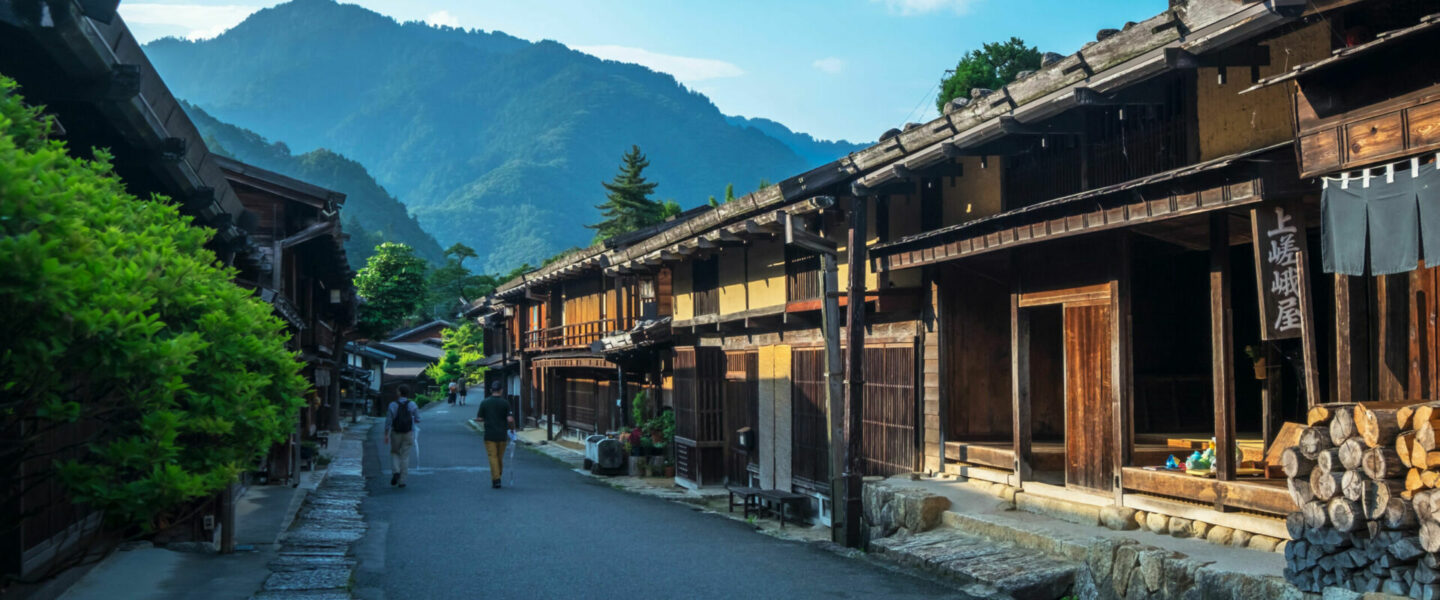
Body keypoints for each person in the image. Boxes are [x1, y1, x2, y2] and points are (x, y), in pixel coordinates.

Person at [477, 380, 514, 488]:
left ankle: (496, 479)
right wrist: (512, 429)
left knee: (492, 456)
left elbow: (480, 418)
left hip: (489, 434)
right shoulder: (505, 403)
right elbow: (510, 419)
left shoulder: (485, 402)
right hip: (502, 434)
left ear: (490, 390)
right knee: (499, 457)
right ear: (501, 390)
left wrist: (480, 420)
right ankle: (498, 475)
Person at [385, 385, 421, 488]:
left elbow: (388, 421)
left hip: (395, 432)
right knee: (405, 456)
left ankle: (396, 471)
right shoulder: (412, 404)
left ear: (399, 393)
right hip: (408, 433)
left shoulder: (392, 405)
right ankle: (402, 481)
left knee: (395, 452)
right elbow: (418, 419)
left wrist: (386, 434)